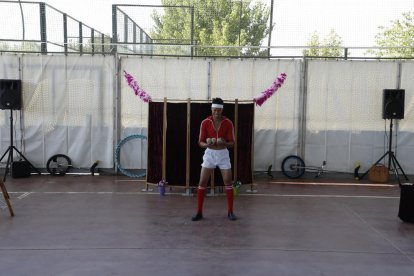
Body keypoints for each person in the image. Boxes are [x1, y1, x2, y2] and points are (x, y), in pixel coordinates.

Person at [192, 98, 237, 221]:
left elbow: (232, 143)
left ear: (222, 110)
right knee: (202, 182)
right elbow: (200, 142)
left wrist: (224, 142)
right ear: (211, 109)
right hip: (210, 154)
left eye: (219, 110)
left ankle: (230, 212)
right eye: (214, 110)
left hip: (223, 154)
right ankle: (199, 212)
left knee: (228, 181)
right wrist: (207, 144)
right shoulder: (205, 122)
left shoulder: (228, 123)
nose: (216, 112)